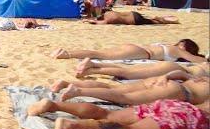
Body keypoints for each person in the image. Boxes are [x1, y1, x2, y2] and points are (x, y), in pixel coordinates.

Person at [27, 97, 209, 129]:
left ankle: (53, 105)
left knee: (108, 114)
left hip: (179, 106)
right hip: (193, 121)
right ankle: (72, 126)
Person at [56, 71, 209, 105]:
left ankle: (69, 84)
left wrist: (165, 77)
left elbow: (182, 73)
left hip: (169, 83)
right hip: (180, 93)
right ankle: (78, 91)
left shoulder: (205, 78)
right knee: (125, 99)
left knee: (114, 89)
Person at [50, 39, 206, 63]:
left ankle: (67, 52)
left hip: (135, 47)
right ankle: (66, 54)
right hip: (142, 53)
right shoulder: (177, 51)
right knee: (99, 54)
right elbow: (197, 60)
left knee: (100, 53)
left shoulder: (168, 45)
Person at [72, 58, 210, 80]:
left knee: (126, 69)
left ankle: (93, 64)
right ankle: (92, 69)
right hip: (177, 69)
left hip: (174, 66)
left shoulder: (204, 65)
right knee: (128, 73)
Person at [84, 10, 179, 25]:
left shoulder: (108, 20)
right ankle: (162, 18)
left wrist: (89, 21)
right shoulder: (109, 13)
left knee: (153, 22)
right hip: (133, 13)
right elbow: (97, 19)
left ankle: (168, 21)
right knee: (149, 19)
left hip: (134, 20)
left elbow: (98, 22)